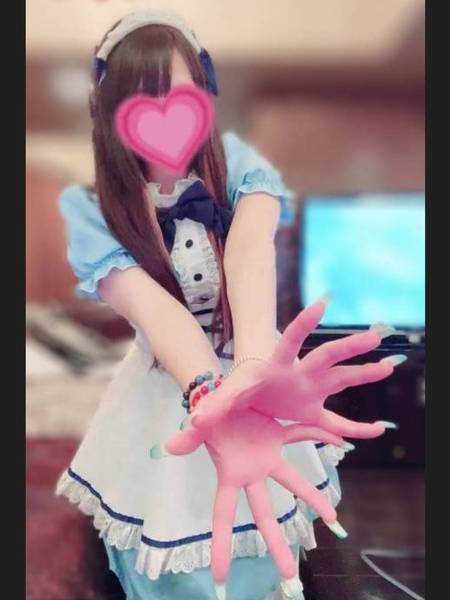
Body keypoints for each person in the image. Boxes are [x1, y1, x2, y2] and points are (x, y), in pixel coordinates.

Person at [55, 10, 400, 600]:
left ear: (205, 92)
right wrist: (211, 394)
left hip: (246, 359)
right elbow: (157, 312)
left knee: (261, 529)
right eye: (140, 100)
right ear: (107, 112)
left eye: (181, 94)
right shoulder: (89, 209)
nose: (165, 116)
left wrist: (252, 372)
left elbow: (249, 250)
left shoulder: (237, 162)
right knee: (172, 537)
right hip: (167, 383)